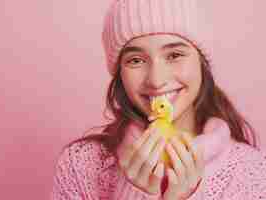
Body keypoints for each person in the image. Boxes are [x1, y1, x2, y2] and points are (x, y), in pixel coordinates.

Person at [50, 0, 266, 199]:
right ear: (119, 73)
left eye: (174, 55)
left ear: (201, 63)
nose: (156, 80)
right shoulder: (81, 166)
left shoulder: (252, 173)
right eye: (136, 60)